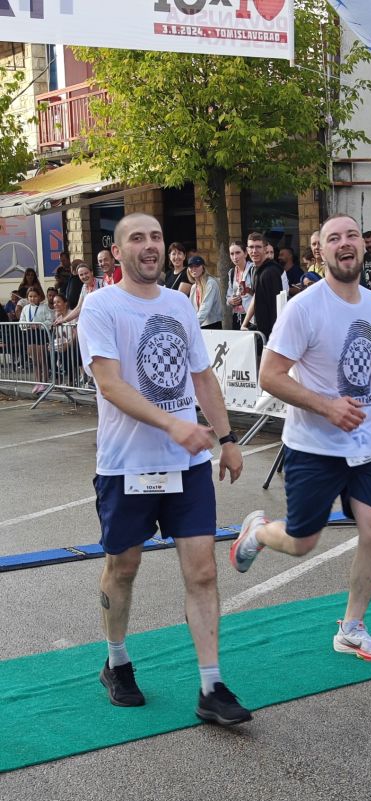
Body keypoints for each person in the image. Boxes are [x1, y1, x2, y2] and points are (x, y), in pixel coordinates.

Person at [230, 214, 371, 660]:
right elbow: (269, 375)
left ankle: (352, 628)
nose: (345, 243)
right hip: (314, 446)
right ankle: (259, 532)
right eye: (334, 238)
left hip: (367, 445)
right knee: (301, 542)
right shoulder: (304, 308)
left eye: (352, 235)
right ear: (322, 250)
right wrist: (327, 406)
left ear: (363, 248)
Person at [77, 212, 249, 726]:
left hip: (187, 466)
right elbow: (110, 384)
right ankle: (116, 662)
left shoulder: (178, 304)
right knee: (123, 567)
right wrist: (175, 425)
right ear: (118, 251)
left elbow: (202, 377)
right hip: (126, 466)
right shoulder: (101, 306)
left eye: (155, 236)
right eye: (137, 238)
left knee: (203, 570)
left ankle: (212, 686)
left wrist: (227, 439)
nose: (150, 245)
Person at [241, 233, 284, 355]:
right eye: (251, 247)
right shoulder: (258, 270)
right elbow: (257, 297)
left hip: (272, 338)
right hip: (263, 332)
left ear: (265, 249)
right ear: (247, 250)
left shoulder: (270, 272)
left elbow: (276, 307)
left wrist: (275, 339)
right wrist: (245, 324)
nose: (254, 251)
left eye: (258, 247)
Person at [20, 285, 54, 393]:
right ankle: (38, 382)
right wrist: (27, 325)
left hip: (41, 334)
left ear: (39, 296)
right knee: (34, 360)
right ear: (27, 297)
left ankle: (45, 382)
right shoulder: (26, 308)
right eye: (30, 296)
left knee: (42, 360)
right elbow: (21, 322)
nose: (32, 298)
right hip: (30, 334)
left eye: (35, 296)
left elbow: (50, 320)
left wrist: (39, 325)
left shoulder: (44, 307)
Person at [187, 256, 223, 329]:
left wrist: (192, 325)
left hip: (212, 326)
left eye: (197, 266)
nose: (193, 269)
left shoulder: (210, 283)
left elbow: (205, 307)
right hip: (199, 325)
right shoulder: (194, 287)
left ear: (203, 267)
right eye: (191, 266)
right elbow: (190, 309)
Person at [226, 241, 254, 330]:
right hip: (237, 316)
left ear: (245, 253)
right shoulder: (232, 272)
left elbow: (260, 294)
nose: (235, 257)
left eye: (238, 253)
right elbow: (228, 297)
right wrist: (231, 300)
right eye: (232, 254)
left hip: (252, 317)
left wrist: (248, 290)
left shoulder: (253, 269)